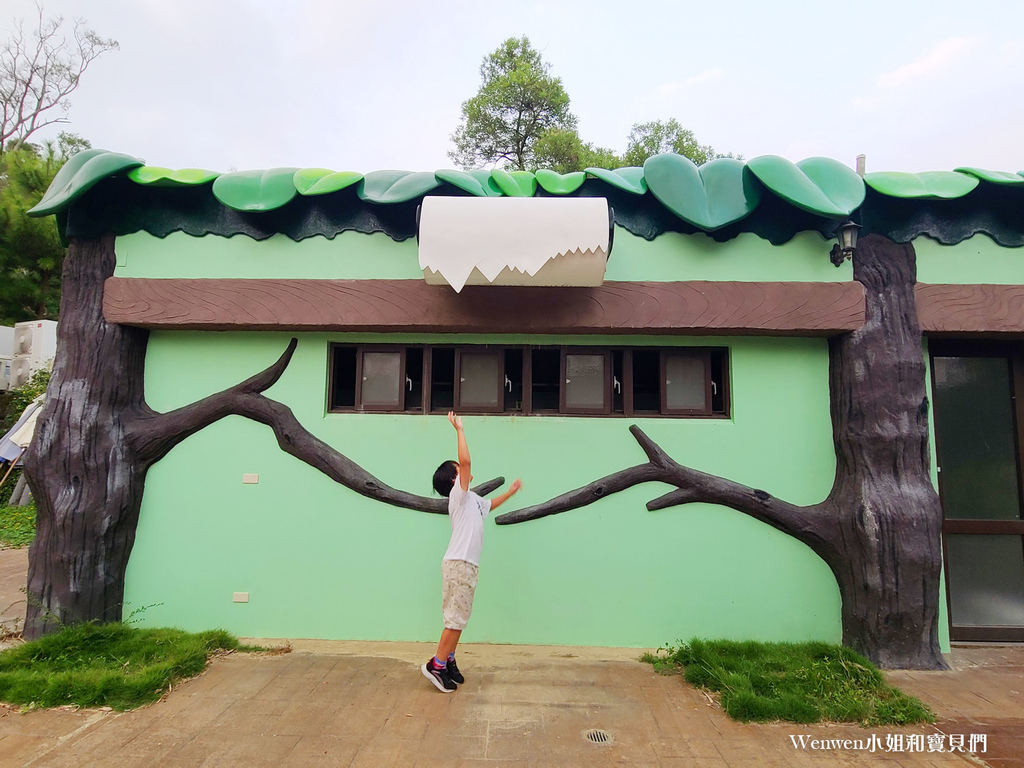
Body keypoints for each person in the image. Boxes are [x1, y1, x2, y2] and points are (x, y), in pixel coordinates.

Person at [422, 411, 522, 693]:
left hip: (468, 565)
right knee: (454, 619)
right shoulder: (459, 495)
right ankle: (436, 665)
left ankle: (449, 658)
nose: (463, 469)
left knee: (460, 617)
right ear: (455, 479)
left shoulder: (474, 500)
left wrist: (512, 491)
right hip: (459, 563)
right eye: (459, 470)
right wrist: (459, 430)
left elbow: (490, 504)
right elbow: (466, 461)